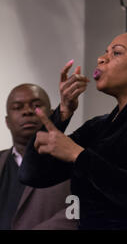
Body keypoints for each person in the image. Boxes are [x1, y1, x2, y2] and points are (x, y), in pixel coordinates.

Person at [19, 32, 127, 230]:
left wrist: (78, 155)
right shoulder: (97, 127)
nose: (101, 58)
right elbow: (32, 174)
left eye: (116, 53)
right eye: (104, 52)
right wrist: (62, 113)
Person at [1, 83, 77, 230]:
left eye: (36, 105)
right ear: (7, 122)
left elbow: (79, 210)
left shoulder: (73, 158)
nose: (27, 112)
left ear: (51, 113)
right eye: (17, 107)